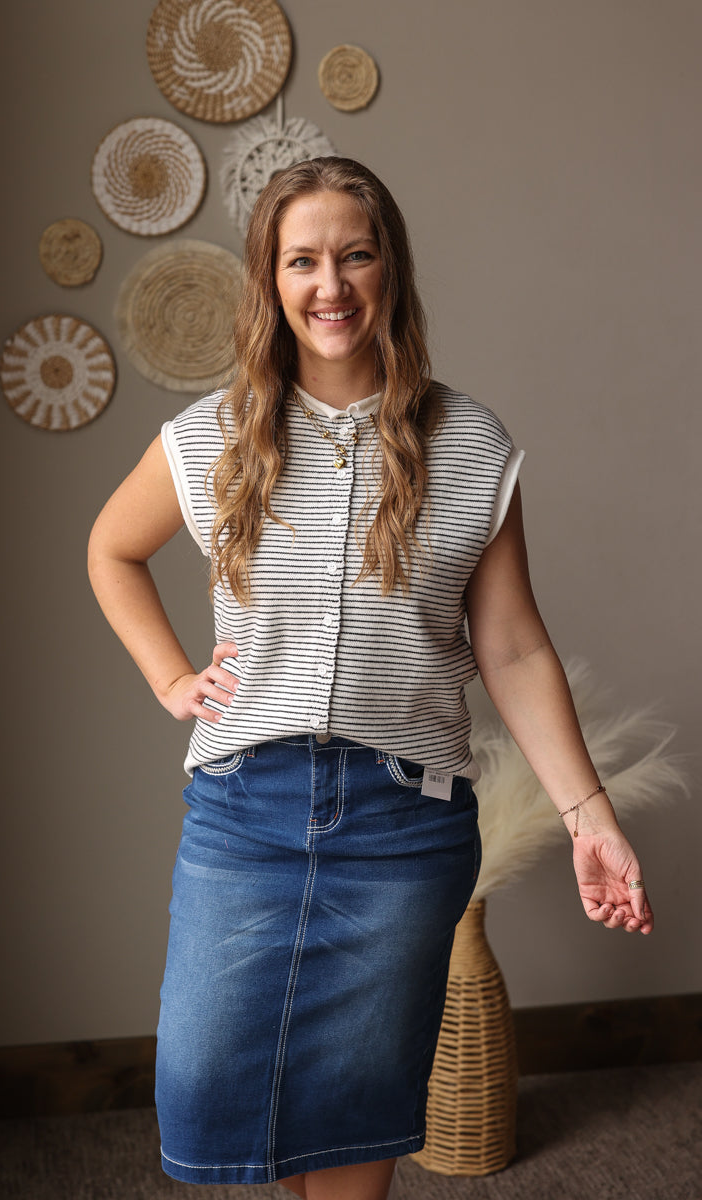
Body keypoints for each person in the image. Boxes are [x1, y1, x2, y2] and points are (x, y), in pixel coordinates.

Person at [87, 156, 653, 1200]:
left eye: (354, 254)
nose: (329, 284)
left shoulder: (469, 443)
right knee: (206, 1080)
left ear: (390, 268)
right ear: (270, 278)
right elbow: (110, 549)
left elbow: (513, 647)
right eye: (300, 260)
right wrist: (171, 676)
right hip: (242, 813)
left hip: (404, 828)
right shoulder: (212, 434)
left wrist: (589, 815)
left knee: (352, 1108)